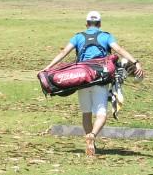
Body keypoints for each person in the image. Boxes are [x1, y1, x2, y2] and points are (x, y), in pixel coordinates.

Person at [42, 11, 143, 157]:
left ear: (86, 24)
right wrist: (135, 62)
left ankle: (90, 141)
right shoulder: (105, 36)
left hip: (82, 79)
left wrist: (48, 67)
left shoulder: (78, 37)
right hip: (100, 78)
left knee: (86, 112)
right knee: (101, 114)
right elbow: (119, 50)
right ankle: (93, 135)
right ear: (100, 24)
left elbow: (64, 52)